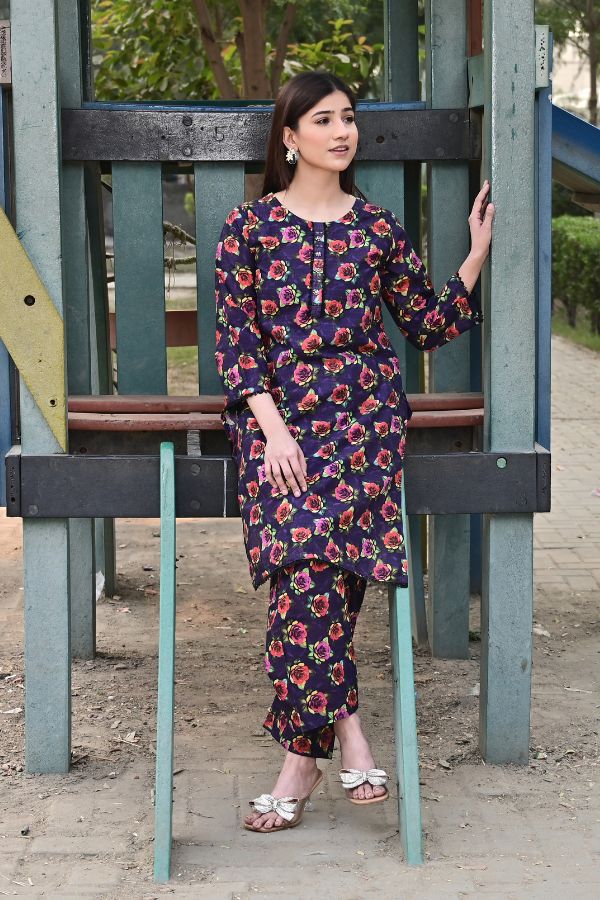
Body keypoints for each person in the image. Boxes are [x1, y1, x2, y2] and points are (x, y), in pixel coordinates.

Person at [214, 70, 494, 834]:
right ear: (289, 136)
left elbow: (426, 323)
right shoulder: (247, 230)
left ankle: (298, 766)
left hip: (364, 420)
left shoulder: (374, 228)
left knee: (315, 573)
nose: (342, 132)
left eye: (349, 119)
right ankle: (347, 736)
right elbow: (238, 350)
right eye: (325, 120)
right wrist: (271, 431)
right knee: (309, 563)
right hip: (281, 424)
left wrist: (473, 256)